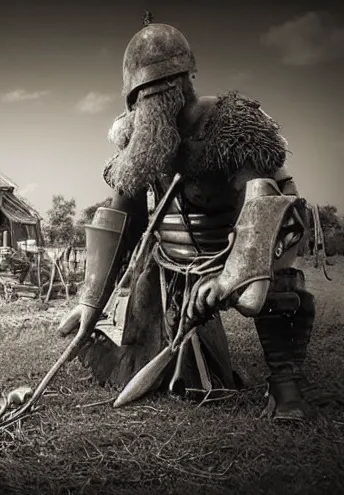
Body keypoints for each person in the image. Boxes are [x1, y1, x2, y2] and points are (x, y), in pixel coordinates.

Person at [58, 19, 316, 422]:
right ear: (133, 99)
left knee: (280, 288)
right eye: (147, 93)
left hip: (236, 255)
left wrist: (231, 277)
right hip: (170, 267)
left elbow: (265, 204)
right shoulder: (137, 137)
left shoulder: (231, 126)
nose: (156, 98)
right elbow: (124, 218)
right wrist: (90, 302)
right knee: (146, 337)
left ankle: (286, 387)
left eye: (165, 86)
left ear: (186, 81)